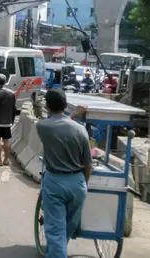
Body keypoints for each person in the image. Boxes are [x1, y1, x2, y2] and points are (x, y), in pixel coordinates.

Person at [36, 89, 92, 258]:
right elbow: (88, 163)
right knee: (67, 229)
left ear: (47, 106)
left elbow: (57, 125)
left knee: (55, 232)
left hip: (55, 183)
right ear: (65, 104)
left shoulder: (42, 127)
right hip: (78, 183)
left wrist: (73, 114)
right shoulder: (82, 130)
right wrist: (84, 183)